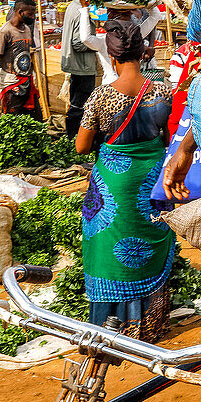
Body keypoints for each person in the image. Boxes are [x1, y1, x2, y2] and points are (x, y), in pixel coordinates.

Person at [74, 20, 175, 342]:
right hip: (152, 179)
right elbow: (168, 137)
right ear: (141, 53)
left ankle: (113, 326)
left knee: (108, 246)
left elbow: (82, 146)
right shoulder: (162, 91)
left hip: (114, 187)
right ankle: (150, 324)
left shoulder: (101, 96)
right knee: (150, 240)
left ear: (112, 57)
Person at [78, 5, 165, 85]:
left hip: (113, 84)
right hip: (132, 84)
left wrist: (84, 8)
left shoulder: (106, 40)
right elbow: (155, 16)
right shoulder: (135, 35)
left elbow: (86, 38)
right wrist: (150, 3)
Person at [0, 0, 42, 119]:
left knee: (36, 117)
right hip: (11, 82)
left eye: (34, 14)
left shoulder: (26, 29)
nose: (33, 17)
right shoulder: (5, 32)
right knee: (12, 118)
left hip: (26, 80)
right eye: (30, 14)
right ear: (20, 12)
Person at [59, 0, 99, 138]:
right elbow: (78, 43)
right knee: (80, 105)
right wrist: (98, 44)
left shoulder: (73, 6)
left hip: (76, 64)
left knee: (77, 102)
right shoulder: (81, 13)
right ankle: (75, 138)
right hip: (82, 66)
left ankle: (73, 137)